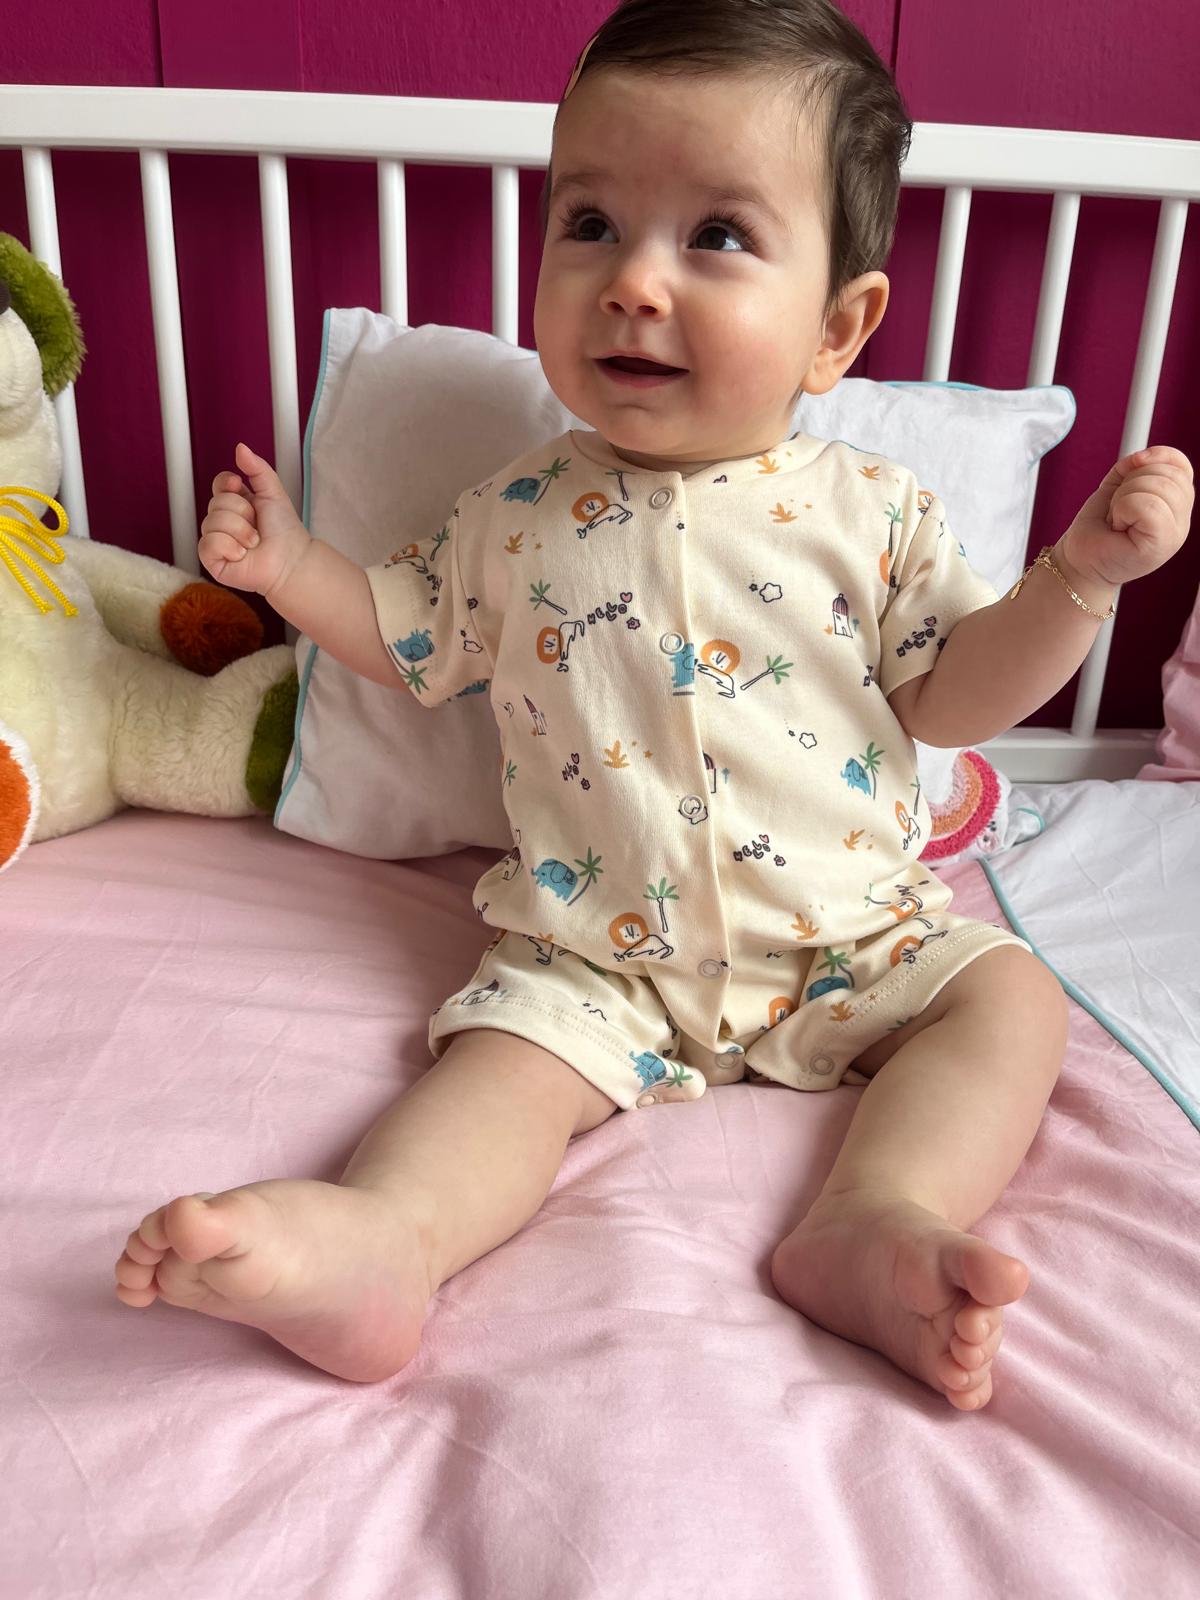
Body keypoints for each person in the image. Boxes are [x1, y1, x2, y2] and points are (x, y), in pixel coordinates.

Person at [114, 0, 1193, 1409]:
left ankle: (876, 1214)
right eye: (590, 224)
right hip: (594, 957)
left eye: (718, 236)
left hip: (851, 939)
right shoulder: (514, 511)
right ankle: (390, 1239)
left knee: (1009, 1000)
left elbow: (954, 698)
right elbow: (407, 635)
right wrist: (292, 569)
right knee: (494, 1069)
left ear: (837, 327)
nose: (632, 282)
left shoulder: (873, 512)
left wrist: (1078, 579)